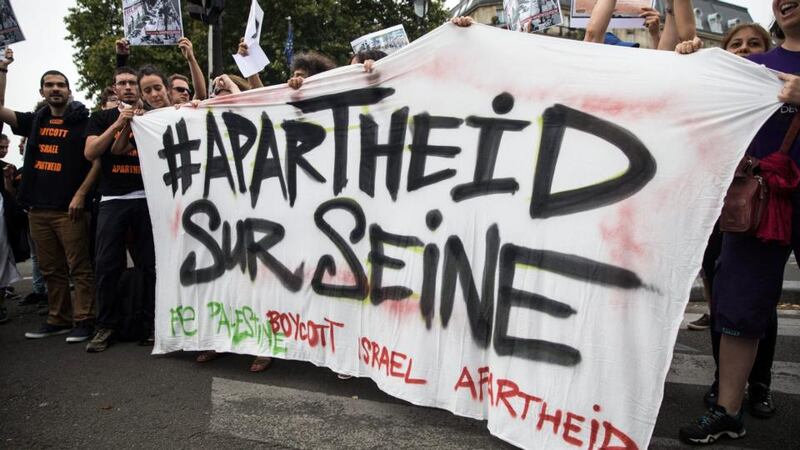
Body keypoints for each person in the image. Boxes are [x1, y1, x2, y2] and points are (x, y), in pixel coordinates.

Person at [677, 1, 800, 444]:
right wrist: (690, 60)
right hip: (759, 204)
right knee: (740, 304)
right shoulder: (754, 66)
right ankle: (728, 409)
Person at [0, 49, 98, 343]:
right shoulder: (34, 121)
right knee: (51, 268)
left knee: (79, 268)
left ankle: (85, 319)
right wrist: (3, 69)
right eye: (50, 85)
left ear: (69, 90)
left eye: (61, 85)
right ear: (42, 91)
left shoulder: (83, 121)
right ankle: (59, 318)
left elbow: (96, 162)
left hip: (70, 209)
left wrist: (81, 195)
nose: (55, 89)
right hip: (37, 210)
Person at [83, 66, 156, 352]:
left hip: (146, 198)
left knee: (149, 265)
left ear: (139, 88)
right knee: (106, 264)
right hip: (113, 199)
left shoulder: (152, 116)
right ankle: (105, 326)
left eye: (132, 83)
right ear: (114, 88)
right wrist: (118, 124)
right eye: (121, 83)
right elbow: (91, 152)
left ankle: (149, 324)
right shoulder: (101, 117)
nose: (127, 87)